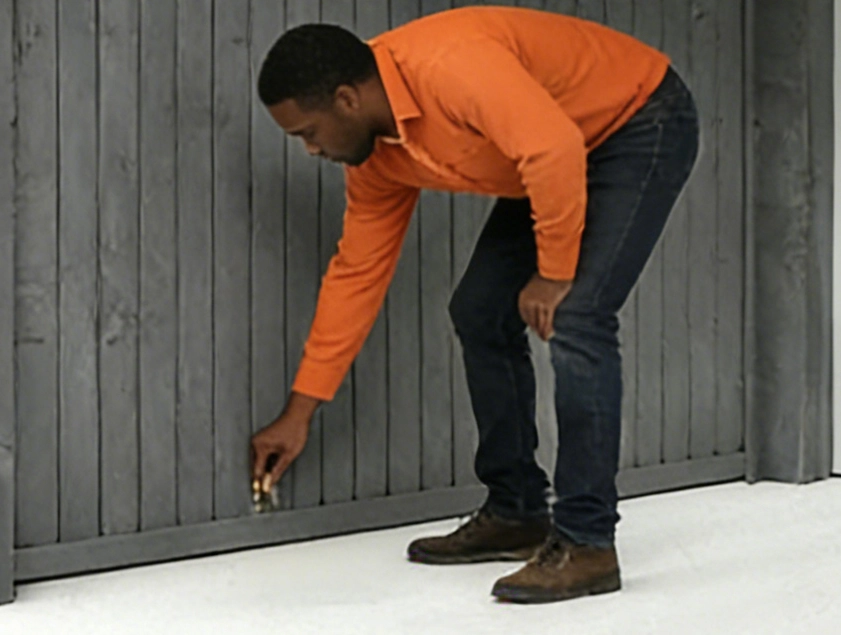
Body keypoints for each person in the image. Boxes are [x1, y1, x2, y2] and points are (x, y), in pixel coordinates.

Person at [248, 5, 698, 604]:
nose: (309, 150)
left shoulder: (450, 66)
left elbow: (553, 147)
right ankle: (517, 512)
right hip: (548, 154)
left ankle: (588, 543)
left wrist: (554, 274)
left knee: (578, 315)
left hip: (635, 121)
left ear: (346, 99)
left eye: (307, 132)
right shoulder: (377, 157)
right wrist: (299, 412)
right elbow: (356, 274)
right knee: (481, 310)